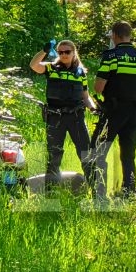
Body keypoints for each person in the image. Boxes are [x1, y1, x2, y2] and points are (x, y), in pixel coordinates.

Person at [88, 21, 136, 199]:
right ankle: (129, 192)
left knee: (98, 151)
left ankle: (99, 192)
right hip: (134, 110)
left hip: (112, 110)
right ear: (130, 35)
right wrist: (133, 90)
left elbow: (98, 87)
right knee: (128, 155)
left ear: (115, 36)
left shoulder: (111, 57)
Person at [30, 39, 95, 191]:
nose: (64, 55)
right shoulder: (51, 68)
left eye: (67, 52)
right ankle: (51, 192)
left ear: (74, 53)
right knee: (54, 156)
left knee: (86, 154)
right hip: (55, 118)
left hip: (76, 118)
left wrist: (93, 108)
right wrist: (44, 51)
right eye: (60, 52)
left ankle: (96, 192)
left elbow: (86, 96)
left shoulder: (80, 73)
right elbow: (34, 65)